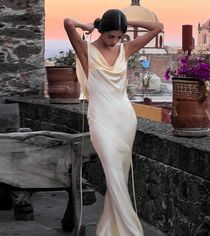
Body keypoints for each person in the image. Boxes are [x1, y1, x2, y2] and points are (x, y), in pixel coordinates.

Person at [64, 9, 163, 236]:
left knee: (120, 174)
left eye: (119, 37)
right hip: (100, 118)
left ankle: (112, 229)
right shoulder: (86, 51)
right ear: (102, 31)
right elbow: (68, 22)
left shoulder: (124, 50)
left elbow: (158, 28)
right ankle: (131, 230)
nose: (115, 41)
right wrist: (88, 25)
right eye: (111, 36)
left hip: (125, 118)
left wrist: (126, 22)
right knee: (113, 173)